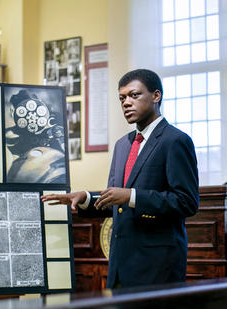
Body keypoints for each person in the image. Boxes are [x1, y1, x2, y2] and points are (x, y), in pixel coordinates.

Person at [41, 69, 199, 287]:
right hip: (119, 265)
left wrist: (131, 196)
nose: (126, 103)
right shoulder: (122, 145)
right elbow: (115, 201)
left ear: (156, 96)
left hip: (158, 266)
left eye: (134, 95)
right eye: (122, 98)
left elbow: (186, 202)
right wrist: (86, 198)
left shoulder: (175, 141)